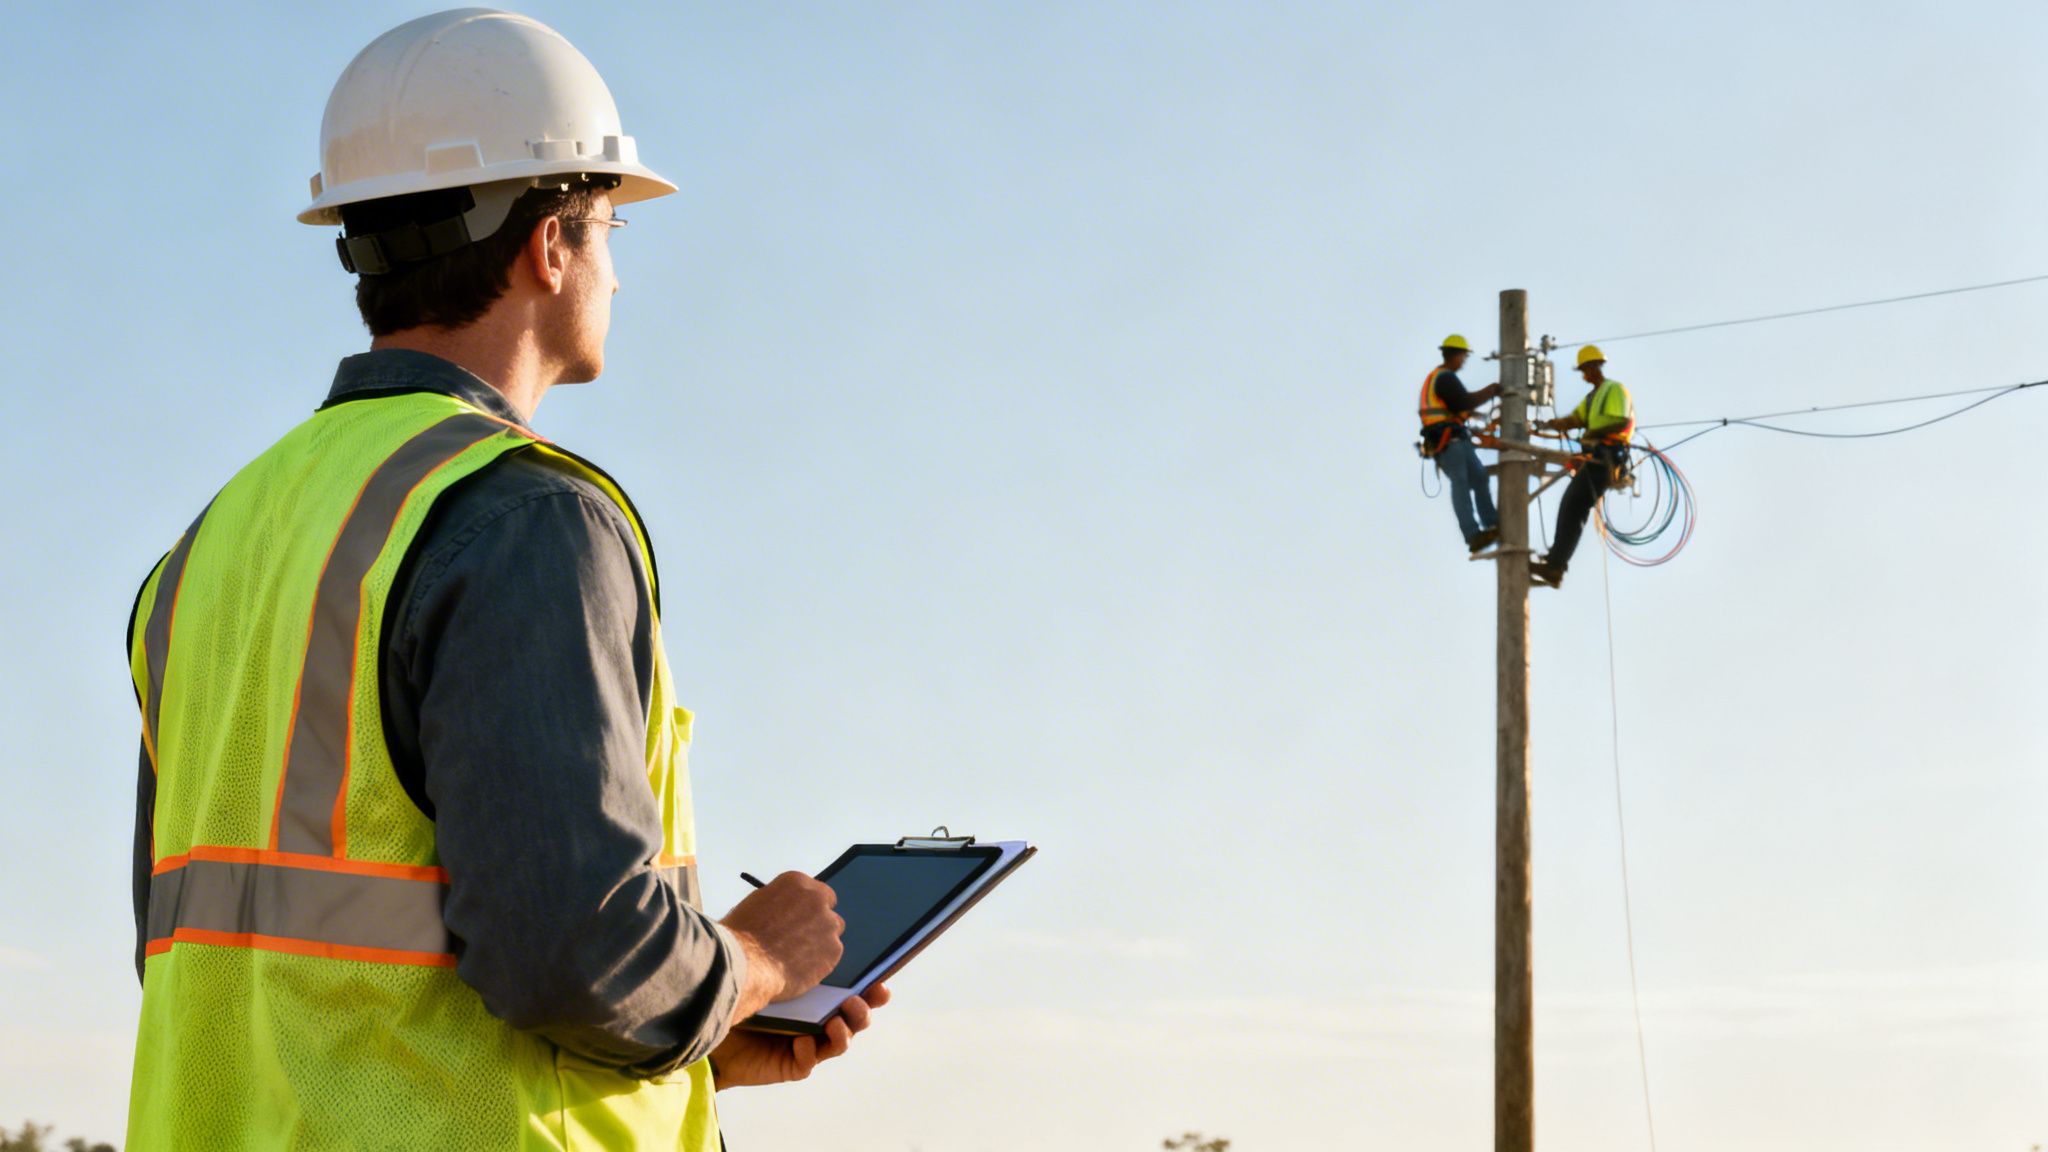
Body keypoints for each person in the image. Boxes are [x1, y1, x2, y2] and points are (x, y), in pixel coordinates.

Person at [123, 11, 874, 1149]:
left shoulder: (212, 542)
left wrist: (698, 1037)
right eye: (611, 226)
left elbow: (251, 962)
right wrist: (758, 957)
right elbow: (575, 952)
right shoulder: (525, 517)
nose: (618, 275)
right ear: (547, 245)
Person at [1531, 344, 1636, 588]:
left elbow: (1620, 421)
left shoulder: (1614, 390)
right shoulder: (1592, 398)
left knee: (1573, 506)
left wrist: (1591, 434)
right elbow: (1574, 419)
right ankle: (1555, 562)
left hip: (1607, 456)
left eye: (1585, 369)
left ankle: (1555, 566)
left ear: (1595, 366)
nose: (1584, 374)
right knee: (1570, 505)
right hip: (1596, 457)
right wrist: (1548, 425)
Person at [1417, 333, 1501, 552]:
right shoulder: (1444, 377)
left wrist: (1474, 415)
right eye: (1463, 357)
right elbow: (1462, 402)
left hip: (1455, 440)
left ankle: (1492, 523)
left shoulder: (1440, 378)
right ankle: (1473, 534)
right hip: (1448, 441)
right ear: (1454, 355)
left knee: (1479, 477)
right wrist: (1491, 390)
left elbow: (1458, 407)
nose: (1463, 361)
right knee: (1461, 483)